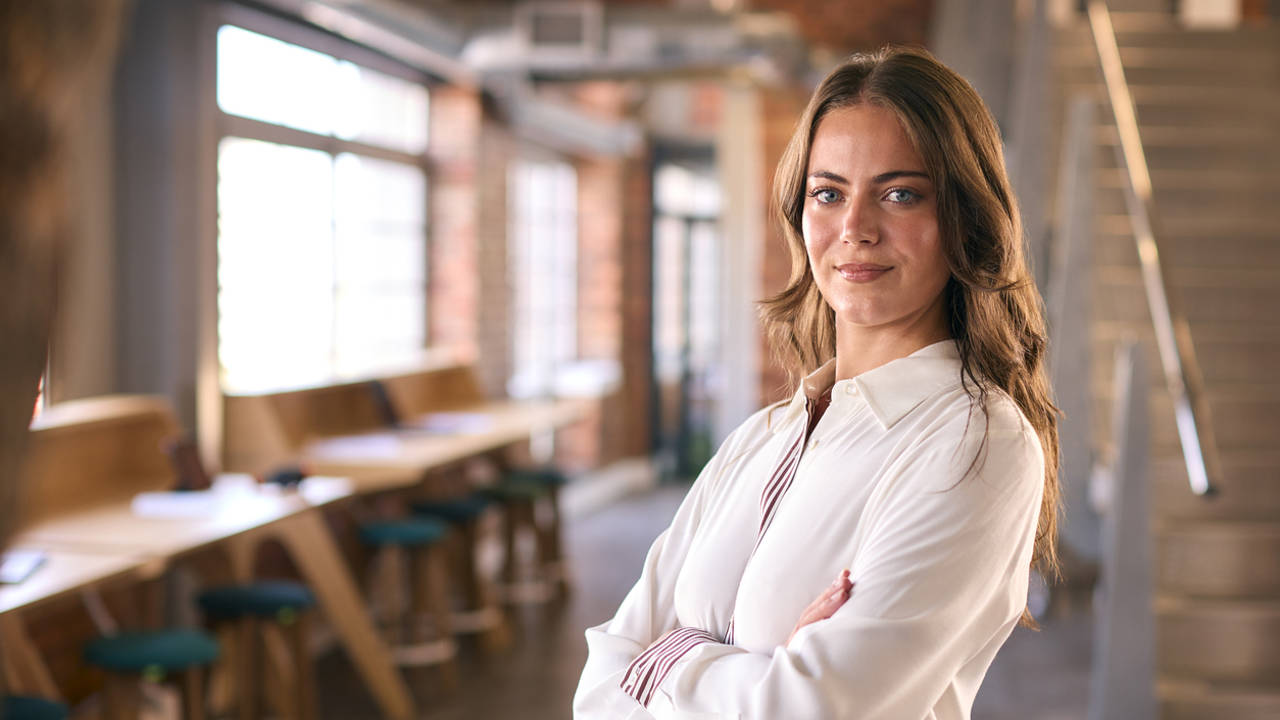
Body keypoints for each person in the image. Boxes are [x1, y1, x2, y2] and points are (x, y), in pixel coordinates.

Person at [573, 45, 1060, 720]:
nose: (855, 228)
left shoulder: (976, 444)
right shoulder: (764, 436)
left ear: (964, 218)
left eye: (900, 194)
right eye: (828, 193)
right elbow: (598, 686)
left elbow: (810, 710)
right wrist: (755, 671)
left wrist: (668, 656)